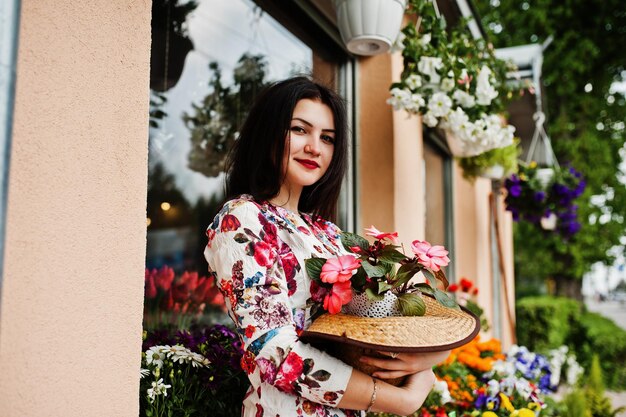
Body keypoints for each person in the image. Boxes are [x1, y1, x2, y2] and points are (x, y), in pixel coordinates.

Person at [204, 76, 448, 417]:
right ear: (269, 132)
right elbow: (272, 352)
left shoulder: (329, 234)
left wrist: (431, 357)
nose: (315, 147)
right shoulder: (243, 218)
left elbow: (377, 325)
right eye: (300, 130)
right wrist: (400, 399)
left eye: (327, 138)